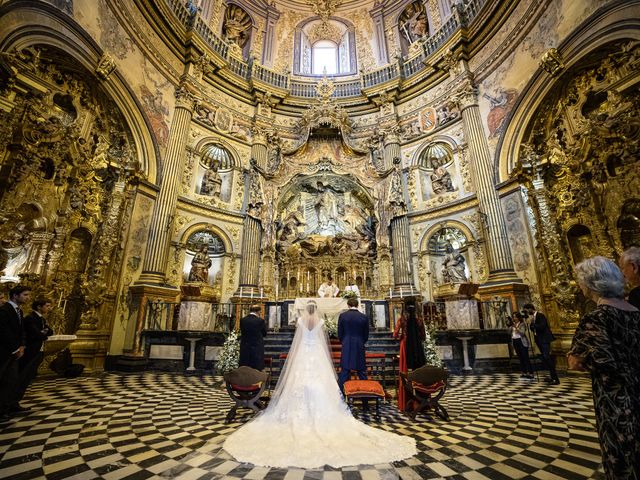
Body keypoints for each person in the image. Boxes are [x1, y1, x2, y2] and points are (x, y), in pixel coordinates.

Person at [223, 300, 416, 468]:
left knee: (297, 381)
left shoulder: (299, 320)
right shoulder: (321, 321)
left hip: (302, 356)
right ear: (317, 309)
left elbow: (298, 340)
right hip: (317, 355)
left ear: (305, 309)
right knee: (323, 382)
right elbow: (325, 338)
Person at [568, 256, 640, 480]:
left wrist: (575, 357)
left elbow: (587, 362)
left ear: (590, 284)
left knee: (622, 459)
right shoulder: (637, 313)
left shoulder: (596, 318)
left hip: (617, 401)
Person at [0, 285, 31, 422]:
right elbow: (4, 331)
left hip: (15, 351)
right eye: (25, 295)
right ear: (15, 296)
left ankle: (5, 408)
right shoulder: (4, 310)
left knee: (10, 381)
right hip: (4, 352)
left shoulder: (20, 311)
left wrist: (22, 345)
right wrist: (15, 348)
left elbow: (21, 331)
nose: (28, 298)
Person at [17, 298, 53, 406]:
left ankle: (15, 402)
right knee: (22, 377)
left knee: (27, 378)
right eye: (47, 306)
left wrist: (44, 332)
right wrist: (43, 333)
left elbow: (50, 331)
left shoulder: (41, 319)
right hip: (30, 351)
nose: (49, 308)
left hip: (37, 350)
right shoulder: (31, 318)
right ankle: (11, 403)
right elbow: (37, 334)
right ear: (39, 306)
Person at [393, 297, 426, 411]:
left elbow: (395, 334)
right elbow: (423, 336)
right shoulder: (419, 319)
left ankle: (406, 402)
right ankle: (422, 401)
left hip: (405, 346)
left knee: (405, 372)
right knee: (420, 374)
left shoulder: (402, 319)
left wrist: (401, 335)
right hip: (418, 347)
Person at [337, 297, 370, 394]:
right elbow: (366, 334)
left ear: (348, 305)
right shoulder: (364, 317)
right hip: (359, 344)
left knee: (345, 371)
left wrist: (344, 341)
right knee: (361, 371)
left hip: (347, 343)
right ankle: (365, 400)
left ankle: (341, 396)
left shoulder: (343, 316)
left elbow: (340, 333)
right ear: (357, 305)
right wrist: (361, 341)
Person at [522, 303, 559, 385]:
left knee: (547, 357)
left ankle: (555, 379)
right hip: (539, 339)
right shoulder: (533, 318)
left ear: (530, 308)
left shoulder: (540, 315)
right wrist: (531, 325)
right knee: (544, 358)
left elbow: (542, 326)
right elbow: (533, 329)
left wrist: (533, 324)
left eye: (527, 310)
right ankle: (552, 377)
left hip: (544, 339)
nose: (527, 313)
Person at [238, 305, 267, 371]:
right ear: (258, 311)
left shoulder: (243, 320)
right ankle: (256, 380)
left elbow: (242, 332)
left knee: (245, 367)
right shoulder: (260, 321)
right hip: (256, 347)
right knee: (256, 367)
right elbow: (264, 334)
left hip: (245, 346)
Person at [508, 312, 533, 379]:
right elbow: (509, 332)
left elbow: (522, 333)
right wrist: (510, 326)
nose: (514, 318)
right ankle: (524, 372)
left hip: (521, 341)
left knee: (525, 357)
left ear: (519, 318)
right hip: (515, 341)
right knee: (520, 358)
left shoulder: (522, 324)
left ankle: (530, 373)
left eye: (515, 317)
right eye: (513, 317)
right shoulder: (513, 325)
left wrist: (516, 328)